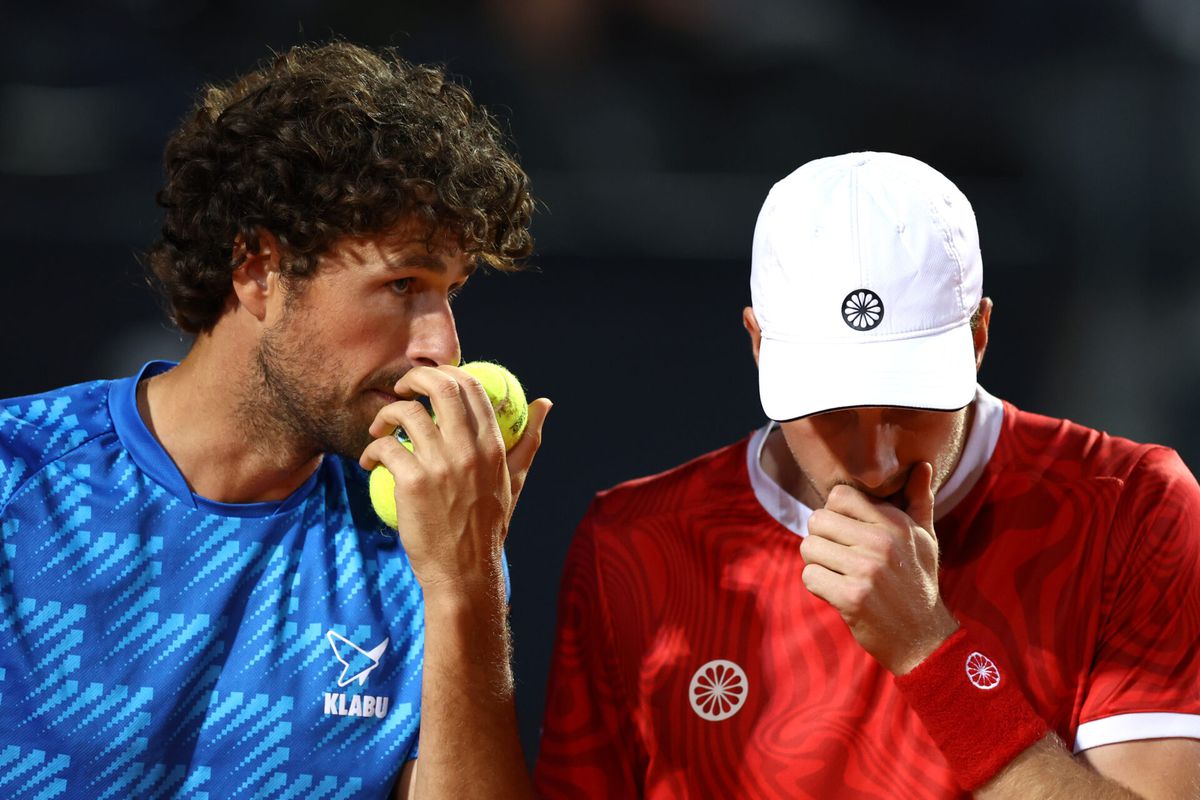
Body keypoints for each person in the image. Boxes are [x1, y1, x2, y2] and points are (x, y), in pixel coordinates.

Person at [535, 152, 1200, 798]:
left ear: (980, 337)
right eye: (831, 410)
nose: (876, 460)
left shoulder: (1134, 508)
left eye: (912, 404)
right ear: (758, 343)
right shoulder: (631, 546)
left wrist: (930, 653)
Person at [0, 41, 548, 799]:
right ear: (258, 268)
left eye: (450, 292)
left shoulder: (428, 543)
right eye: (402, 284)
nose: (442, 347)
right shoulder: (14, 479)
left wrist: (467, 582)